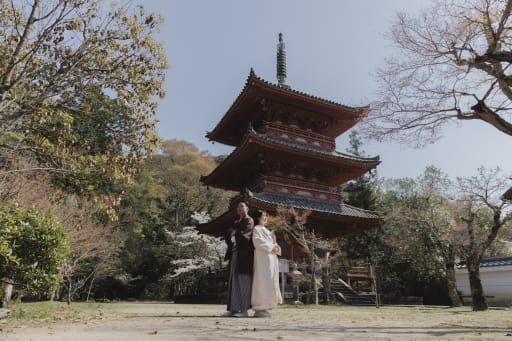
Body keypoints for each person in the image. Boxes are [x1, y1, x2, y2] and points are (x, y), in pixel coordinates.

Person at [222, 202, 254, 317]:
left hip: (244, 255)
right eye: (238, 206)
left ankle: (244, 310)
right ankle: (233, 308)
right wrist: (232, 233)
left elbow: (247, 233)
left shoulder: (249, 220)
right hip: (234, 253)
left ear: (247, 208)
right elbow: (228, 232)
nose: (240, 208)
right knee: (233, 281)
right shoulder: (236, 222)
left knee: (243, 280)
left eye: (242, 206)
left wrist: (236, 233)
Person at [251, 209, 282, 317]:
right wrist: (272, 247)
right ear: (258, 217)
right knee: (262, 281)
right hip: (262, 258)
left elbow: (274, 243)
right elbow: (257, 242)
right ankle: (260, 306)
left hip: (271, 258)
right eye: (263, 216)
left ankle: (268, 306)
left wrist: (276, 246)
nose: (265, 218)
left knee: (270, 280)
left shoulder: (267, 230)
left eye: (266, 216)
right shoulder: (256, 229)